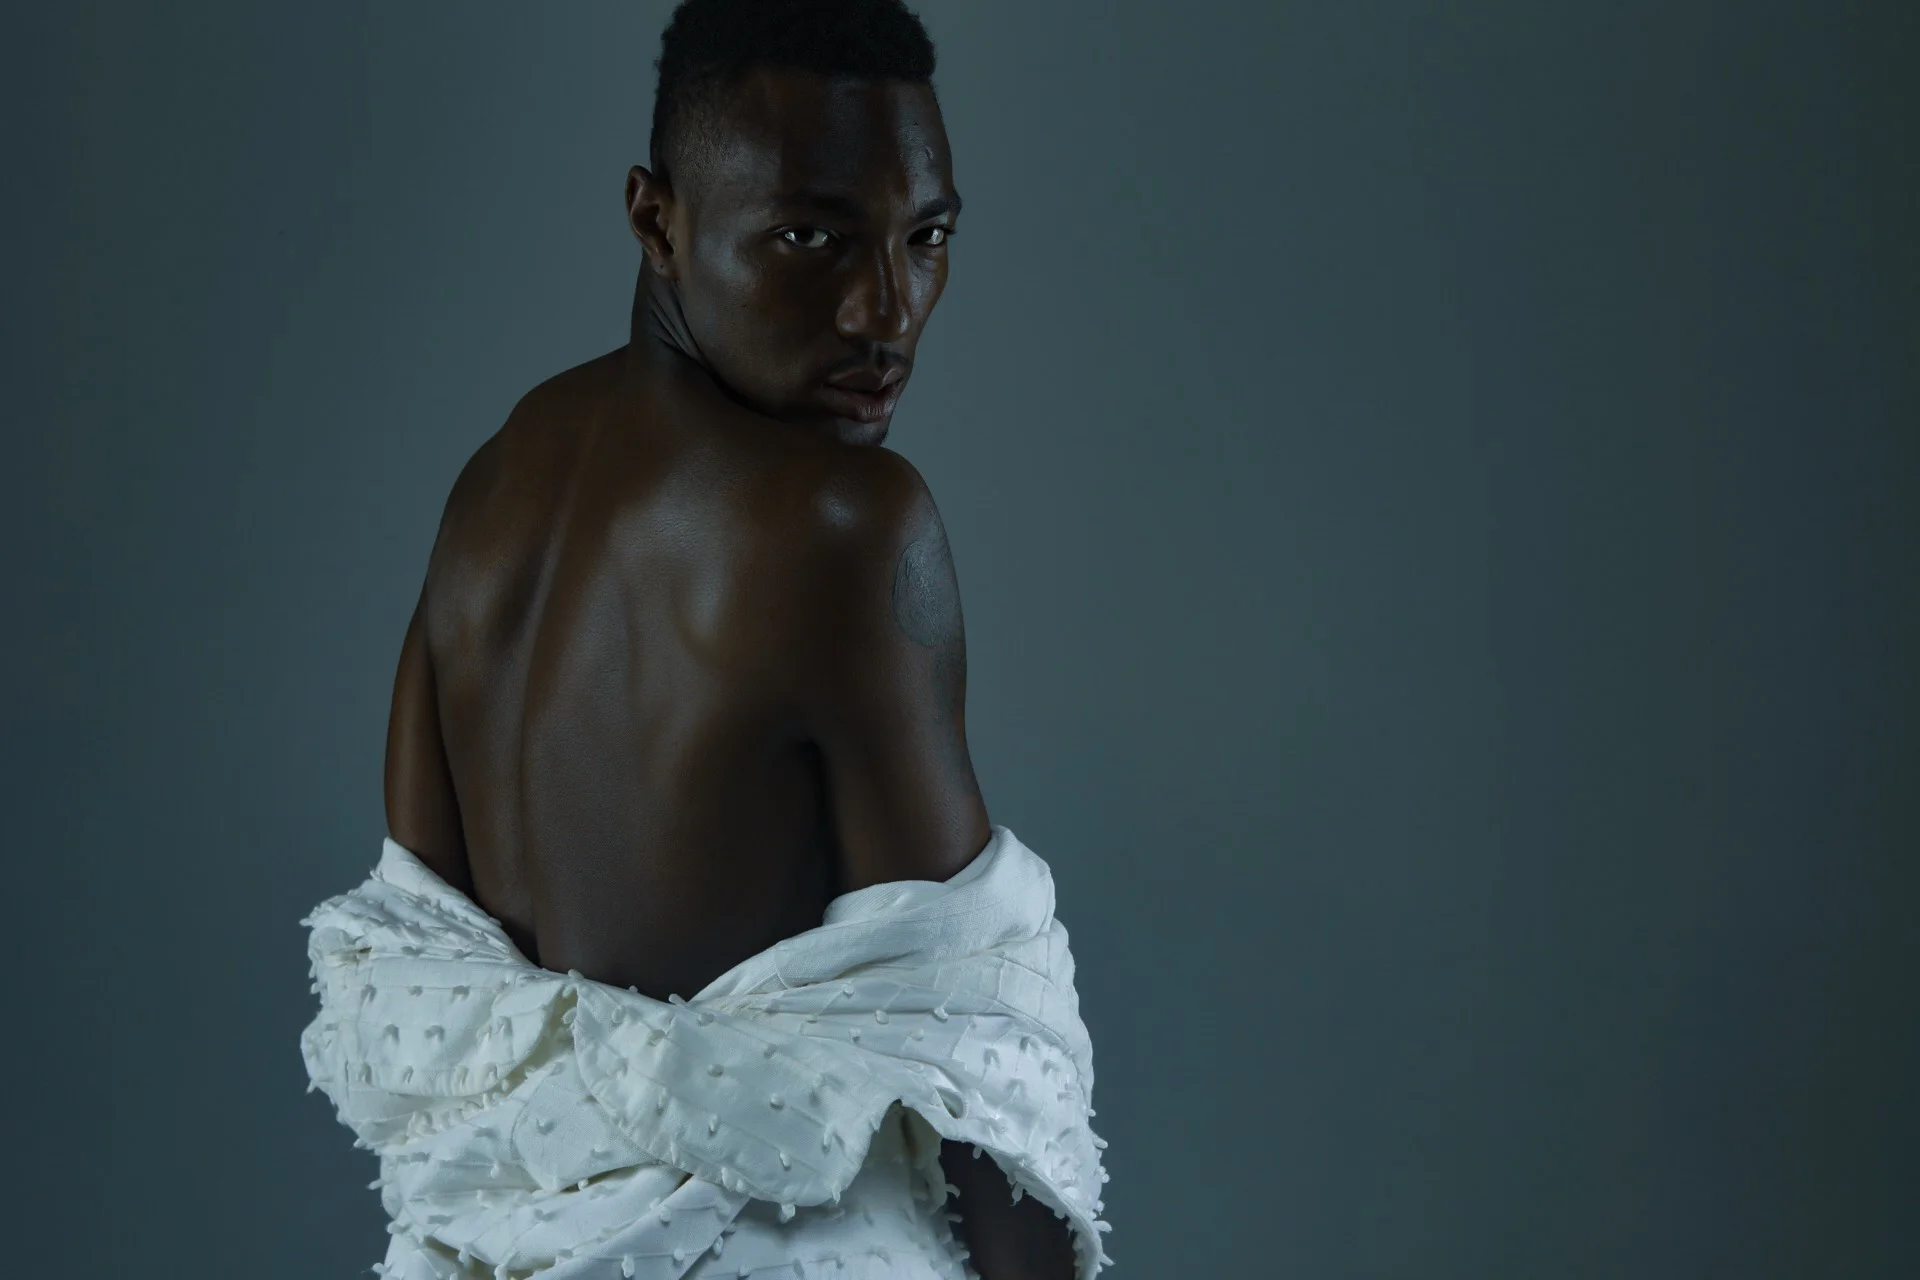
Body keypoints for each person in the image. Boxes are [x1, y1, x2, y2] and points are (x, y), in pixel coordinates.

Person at [303, 3, 1108, 1277]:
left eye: (926, 237)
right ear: (656, 219)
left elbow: (424, 971)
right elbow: (977, 1087)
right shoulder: (848, 525)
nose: (887, 310)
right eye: (811, 237)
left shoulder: (494, 486)